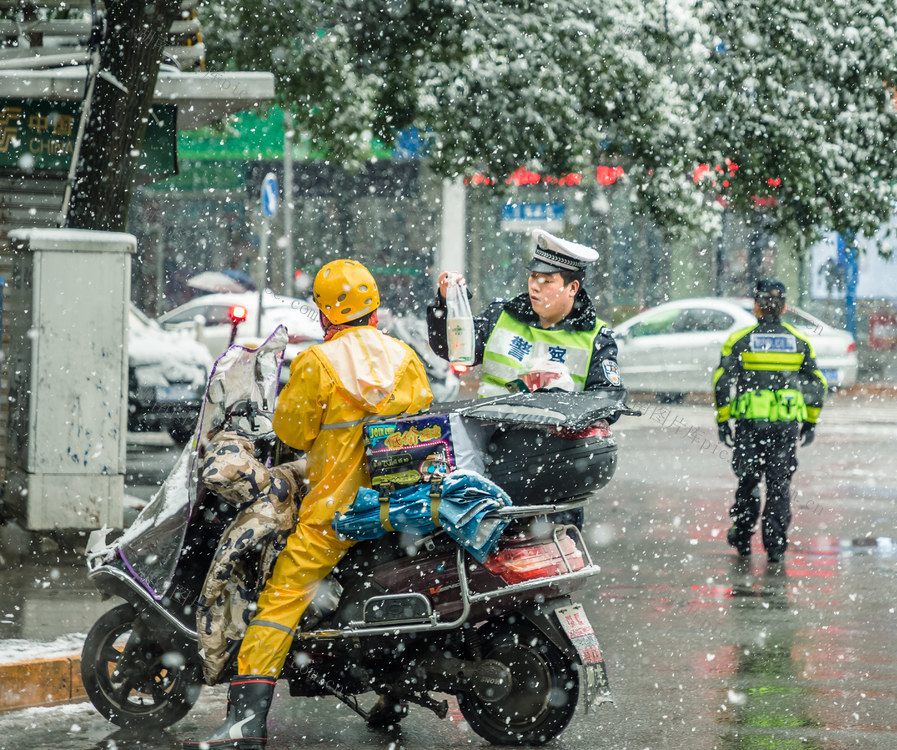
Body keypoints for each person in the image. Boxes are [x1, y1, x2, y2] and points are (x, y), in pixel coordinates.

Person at [184, 259, 434, 749]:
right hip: (399, 506)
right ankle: (392, 691)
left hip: (336, 512)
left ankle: (245, 722)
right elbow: (421, 416)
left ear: (324, 315)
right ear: (375, 311)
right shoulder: (405, 358)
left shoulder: (317, 363)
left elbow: (290, 432)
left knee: (280, 600)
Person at [426, 228, 622, 398]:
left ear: (572, 288)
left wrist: (557, 400)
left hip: (559, 440)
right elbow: (450, 348)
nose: (535, 286)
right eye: (533, 276)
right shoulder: (501, 315)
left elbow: (607, 398)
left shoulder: (596, 339)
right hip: (490, 434)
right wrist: (445, 303)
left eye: (547, 280)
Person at [713, 279, 827, 564]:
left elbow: (721, 381)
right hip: (785, 429)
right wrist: (810, 422)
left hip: (750, 427)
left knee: (748, 482)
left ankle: (742, 537)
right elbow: (817, 384)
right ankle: (775, 546)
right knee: (779, 486)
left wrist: (723, 420)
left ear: (756, 307)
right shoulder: (799, 342)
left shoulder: (740, 340)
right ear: (785, 308)